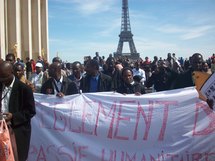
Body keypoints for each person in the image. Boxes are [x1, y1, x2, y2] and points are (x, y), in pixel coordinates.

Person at [0, 61, 36, 161]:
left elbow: (30, 111)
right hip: (1, 131)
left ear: (12, 72)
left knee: (17, 157)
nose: (2, 80)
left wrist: (13, 117)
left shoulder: (24, 89)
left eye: (4, 77)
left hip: (17, 132)